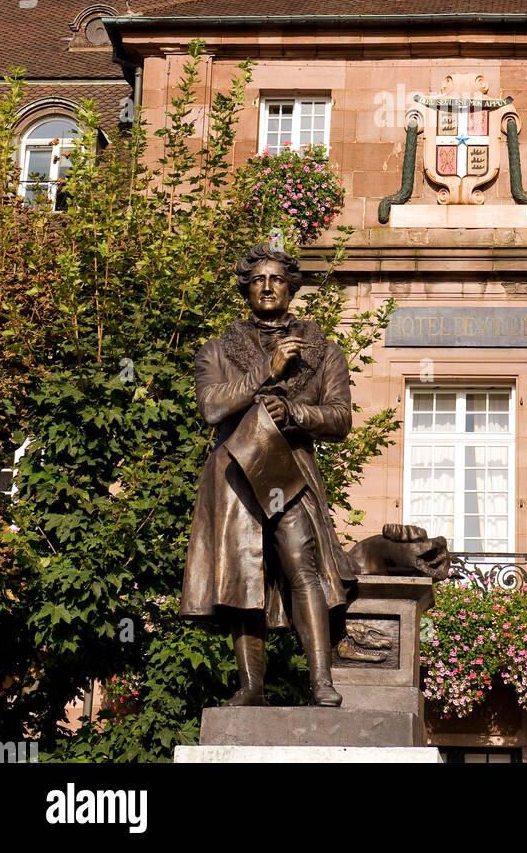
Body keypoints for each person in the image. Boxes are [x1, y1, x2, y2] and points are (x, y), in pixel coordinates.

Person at [179, 243, 356, 707]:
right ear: (246, 290)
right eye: (258, 279)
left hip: (288, 473)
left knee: (303, 567)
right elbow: (213, 406)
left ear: (291, 288)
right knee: (242, 575)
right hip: (237, 473)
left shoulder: (323, 352)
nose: (267, 286)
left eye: (277, 278)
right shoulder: (216, 351)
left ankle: (321, 681)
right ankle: (252, 688)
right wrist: (266, 370)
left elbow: (340, 418)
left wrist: (295, 411)